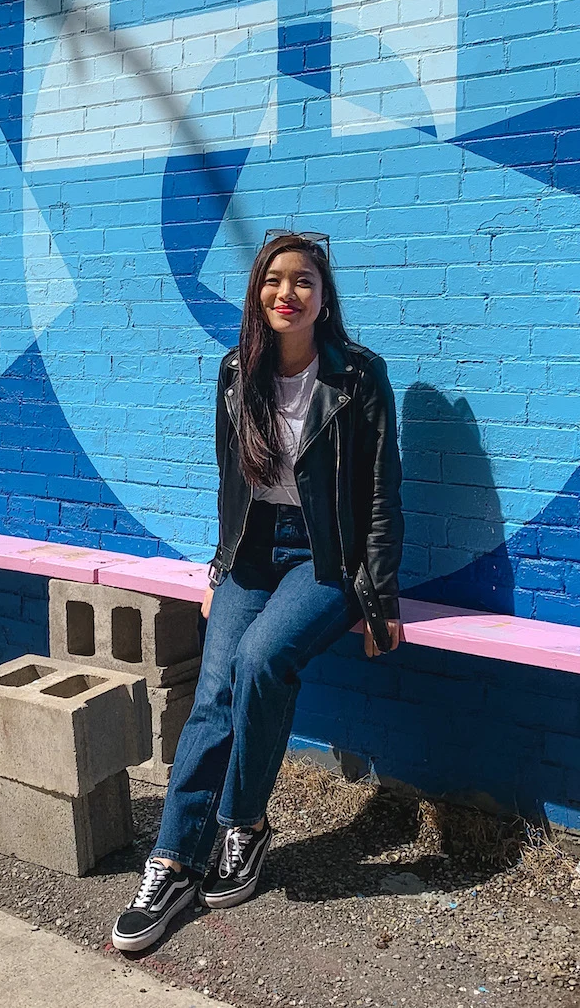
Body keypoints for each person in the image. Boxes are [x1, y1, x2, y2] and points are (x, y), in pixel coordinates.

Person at [111, 229, 404, 953]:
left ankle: (244, 821)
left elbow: (379, 494)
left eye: (303, 280)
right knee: (214, 688)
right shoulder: (237, 370)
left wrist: (380, 598)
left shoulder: (360, 377)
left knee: (261, 660)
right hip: (252, 549)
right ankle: (173, 860)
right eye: (274, 280)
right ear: (257, 293)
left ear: (324, 296)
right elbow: (231, 482)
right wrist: (218, 569)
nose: (287, 293)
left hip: (325, 554)